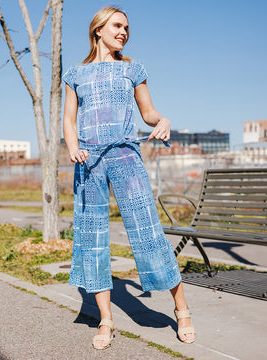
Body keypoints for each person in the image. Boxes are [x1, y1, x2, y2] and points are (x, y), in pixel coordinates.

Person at [62, 6, 195, 350]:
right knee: (92, 240)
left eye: (126, 27)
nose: (123, 31)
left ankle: (181, 309)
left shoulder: (132, 69)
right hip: (88, 161)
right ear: (98, 30)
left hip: (125, 156)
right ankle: (106, 320)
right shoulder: (75, 73)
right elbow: (69, 119)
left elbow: (148, 112)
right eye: (117, 25)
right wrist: (73, 147)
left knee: (148, 233)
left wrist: (162, 120)